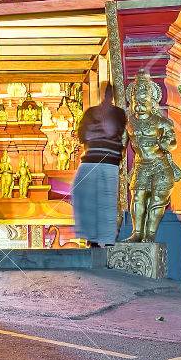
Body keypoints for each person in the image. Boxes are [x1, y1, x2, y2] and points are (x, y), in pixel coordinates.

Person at [72, 83, 126, 248]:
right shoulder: (91, 112)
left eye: (108, 93)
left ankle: (108, 241)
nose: (106, 95)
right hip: (90, 161)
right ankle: (93, 239)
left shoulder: (117, 113)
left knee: (106, 201)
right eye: (103, 92)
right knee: (83, 197)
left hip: (109, 162)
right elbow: (82, 135)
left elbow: (113, 131)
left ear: (112, 95)